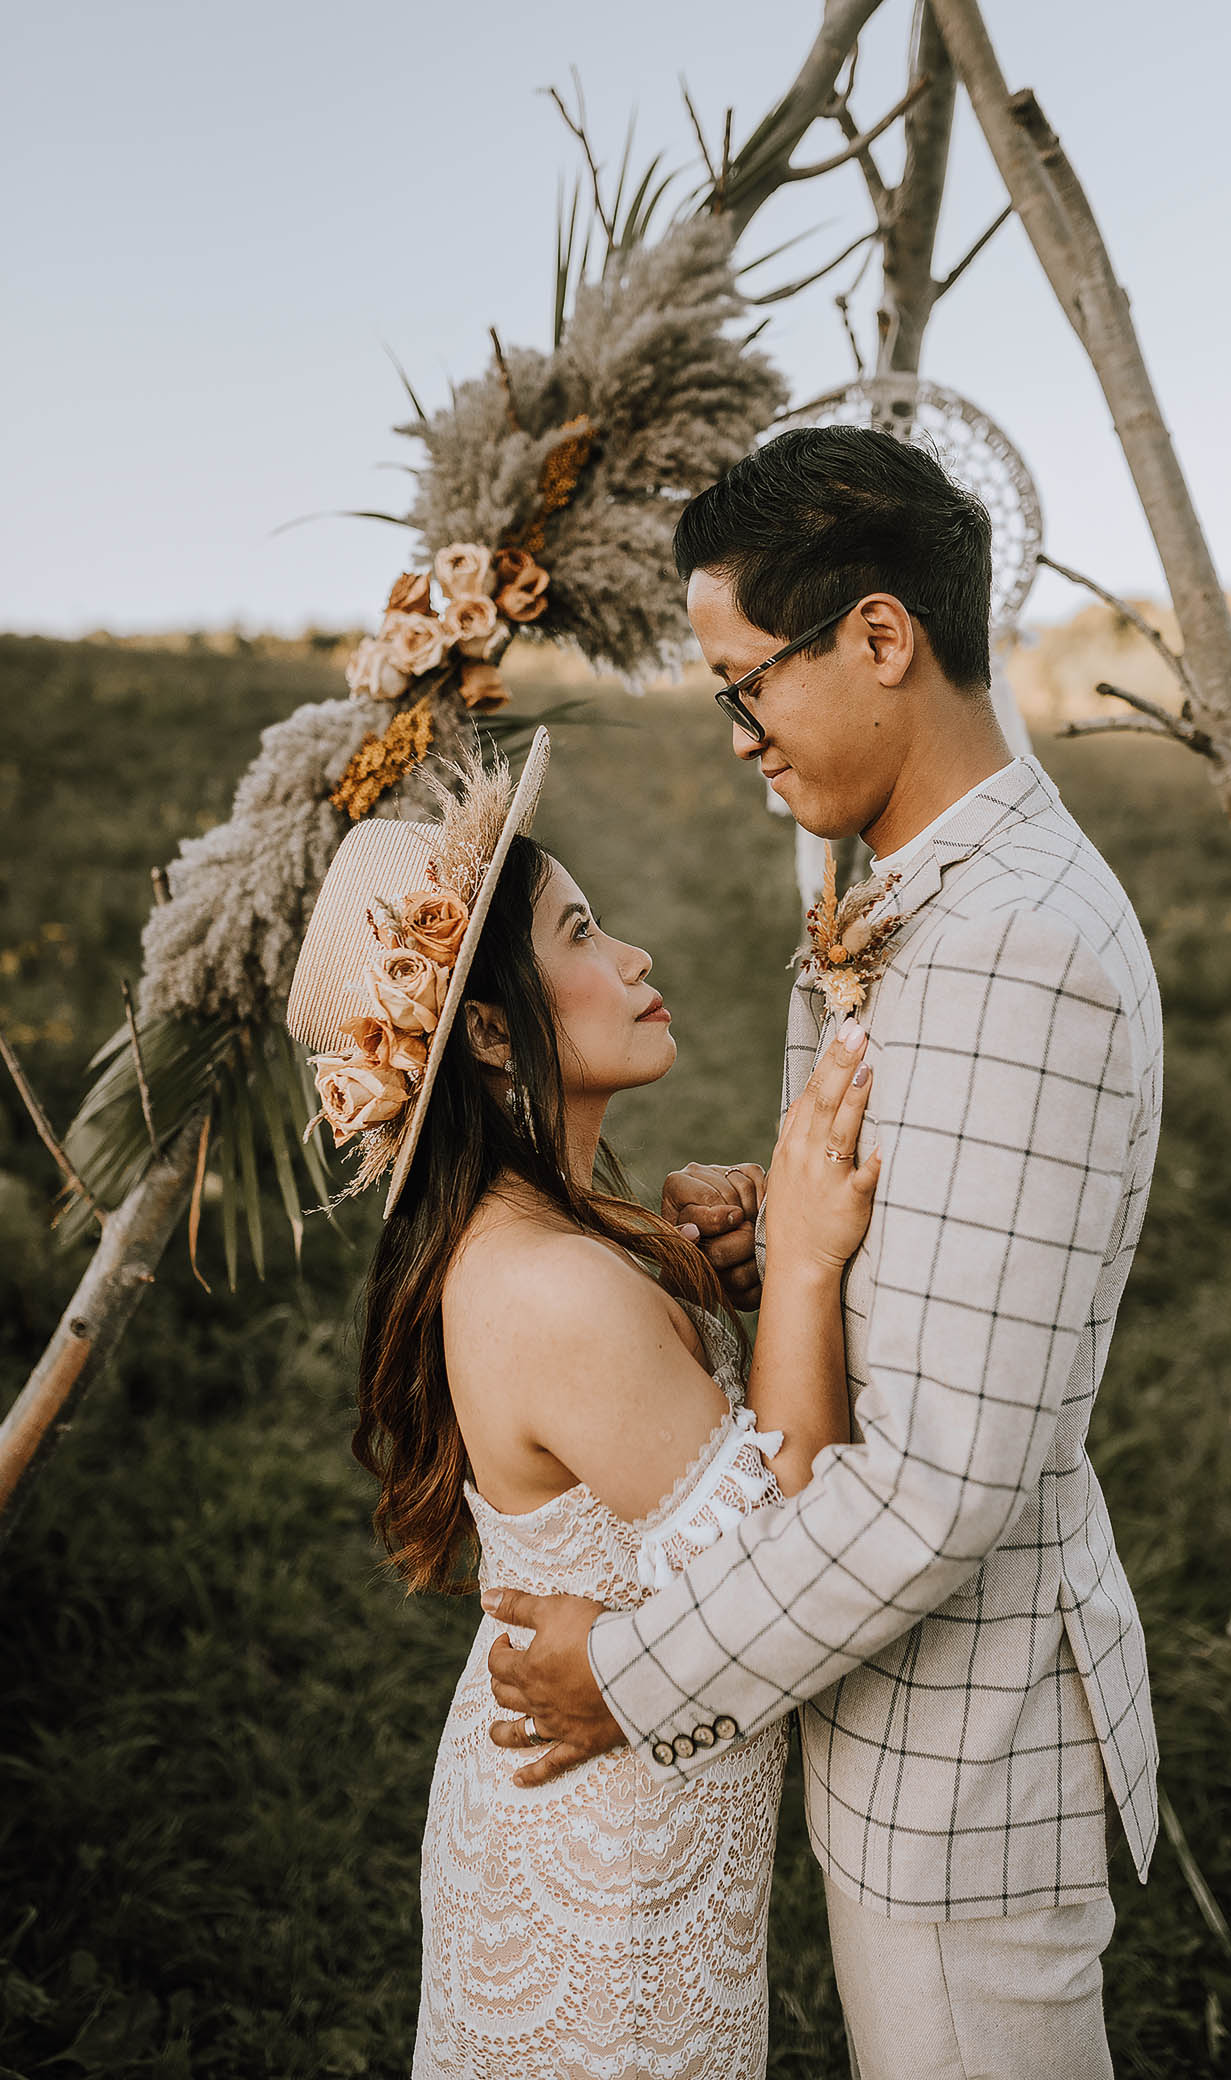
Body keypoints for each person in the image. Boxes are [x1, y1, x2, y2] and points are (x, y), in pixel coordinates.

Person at [482, 427, 1164, 2080]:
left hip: (963, 1762)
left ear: (877, 637)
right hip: (889, 1702)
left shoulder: (1016, 950)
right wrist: (784, 1230)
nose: (734, 739)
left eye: (744, 686)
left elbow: (942, 1480)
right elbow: (952, 1253)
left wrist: (627, 1678)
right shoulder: (930, 892)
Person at [282, 729, 883, 2078]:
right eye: (582, 932)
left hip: (629, 1805)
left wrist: (742, 1275)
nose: (635, 961)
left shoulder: (561, 1232)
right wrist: (801, 1258)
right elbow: (790, 1567)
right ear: (489, 1026)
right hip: (605, 1870)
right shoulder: (550, 1287)